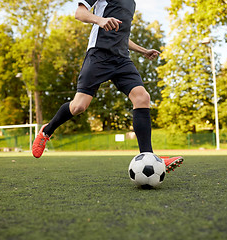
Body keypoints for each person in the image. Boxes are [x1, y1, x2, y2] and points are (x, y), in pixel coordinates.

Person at [32, 0, 183, 171]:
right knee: (78, 107)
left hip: (122, 59)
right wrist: (100, 20)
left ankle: (149, 157)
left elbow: (122, 37)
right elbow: (79, 13)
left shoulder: (131, 3)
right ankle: (47, 131)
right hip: (99, 55)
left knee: (142, 98)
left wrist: (143, 51)